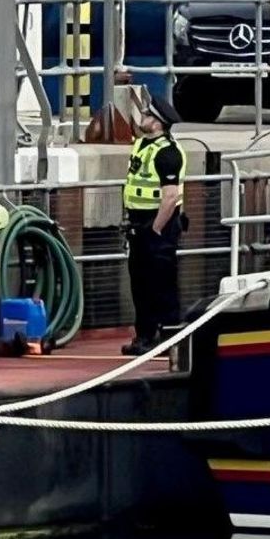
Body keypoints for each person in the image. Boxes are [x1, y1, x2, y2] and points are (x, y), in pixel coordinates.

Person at [121, 97, 186, 355]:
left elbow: (170, 196)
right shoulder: (141, 145)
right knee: (140, 282)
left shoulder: (167, 152)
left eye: (147, 114)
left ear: (158, 124)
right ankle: (145, 337)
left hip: (158, 225)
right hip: (138, 223)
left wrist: (156, 229)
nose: (143, 116)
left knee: (162, 283)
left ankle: (169, 339)